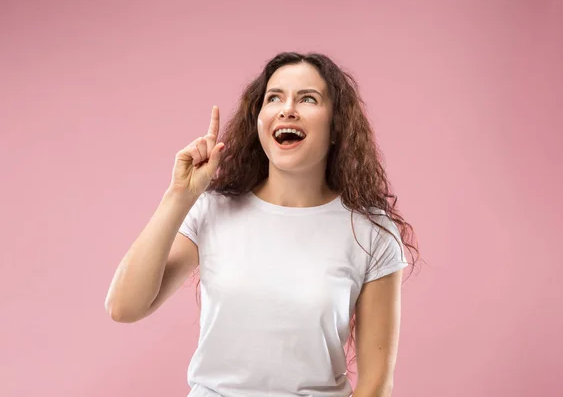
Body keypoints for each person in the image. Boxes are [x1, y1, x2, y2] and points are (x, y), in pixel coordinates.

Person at [105, 52, 421, 397]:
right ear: (259, 120)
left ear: (336, 127)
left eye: (308, 99)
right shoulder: (212, 209)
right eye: (274, 98)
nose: (287, 109)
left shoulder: (371, 233)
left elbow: (375, 385)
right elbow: (124, 307)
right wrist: (179, 195)